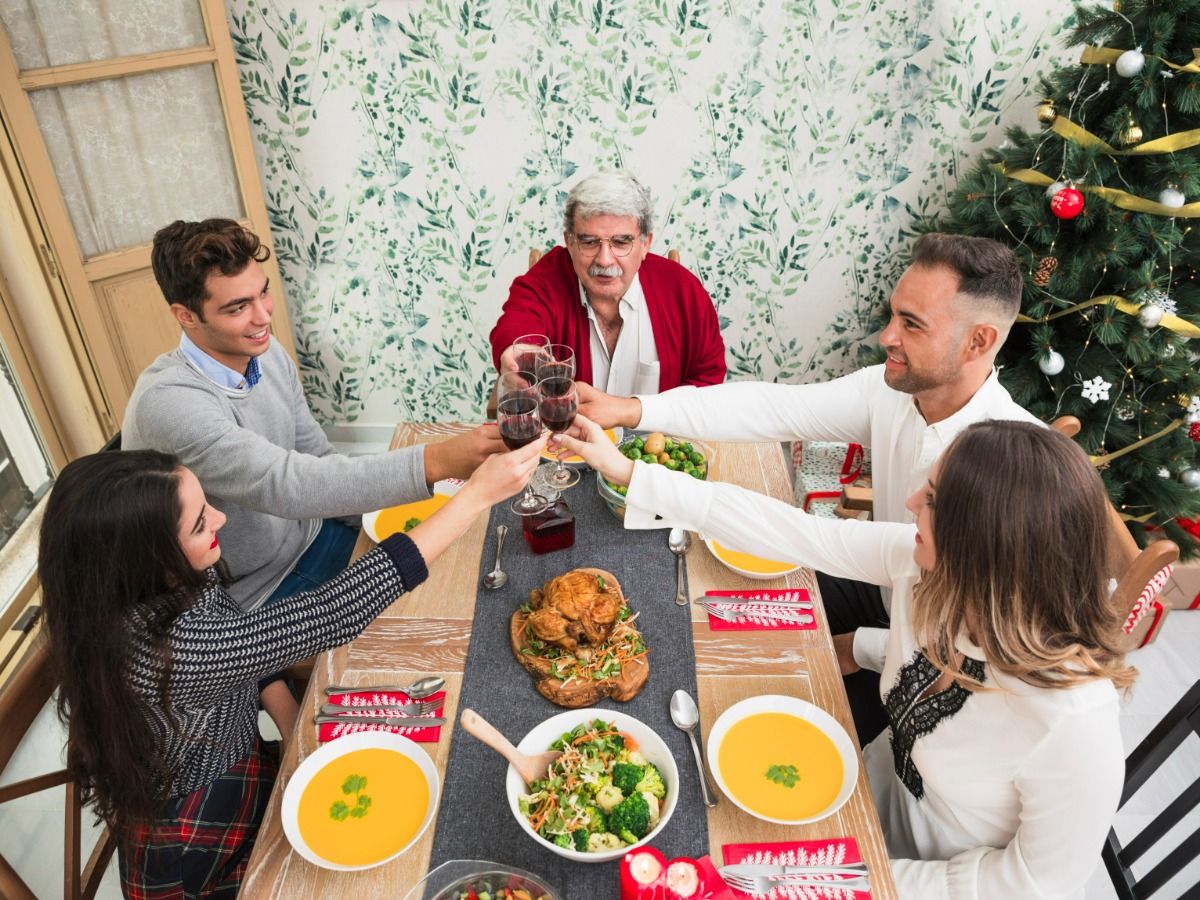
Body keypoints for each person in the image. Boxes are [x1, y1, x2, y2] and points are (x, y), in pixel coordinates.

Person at [559, 414, 1132, 900]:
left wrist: (863, 876)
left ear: (986, 547)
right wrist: (631, 473)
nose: (910, 502)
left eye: (932, 500)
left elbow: (1033, 886)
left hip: (917, 882)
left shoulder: (1075, 725)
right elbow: (796, 533)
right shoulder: (929, 571)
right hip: (854, 796)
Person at [577, 232, 1041, 741]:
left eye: (912, 324)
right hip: (879, 582)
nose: (887, 336)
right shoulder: (892, 389)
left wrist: (857, 647)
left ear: (979, 341)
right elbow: (772, 409)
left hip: (926, 661)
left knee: (766, 733)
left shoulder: (1002, 477)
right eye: (894, 315)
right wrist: (631, 409)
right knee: (709, 621)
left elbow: (974, 657)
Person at [38, 437, 545, 897]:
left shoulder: (143, 591)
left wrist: (287, 723)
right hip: (200, 841)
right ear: (145, 558)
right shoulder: (173, 651)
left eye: (206, 505)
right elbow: (334, 612)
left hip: (249, 765)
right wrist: (474, 497)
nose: (221, 519)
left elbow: (247, 647)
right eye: (199, 523)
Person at [123, 218, 505, 614]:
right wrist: (439, 460)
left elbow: (317, 459)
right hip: (254, 594)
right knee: (432, 612)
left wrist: (392, 521)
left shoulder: (266, 355)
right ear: (186, 315)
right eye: (238, 307)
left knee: (461, 568)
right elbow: (286, 484)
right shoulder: (168, 404)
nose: (263, 317)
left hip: (312, 535)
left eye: (263, 292)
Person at [488, 170, 726, 395]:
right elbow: (518, 321)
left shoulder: (683, 289)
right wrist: (518, 351)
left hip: (661, 428)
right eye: (589, 242)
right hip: (566, 427)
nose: (604, 260)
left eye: (621, 243)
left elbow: (707, 379)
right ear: (569, 242)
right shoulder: (546, 280)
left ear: (645, 244)